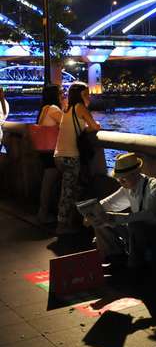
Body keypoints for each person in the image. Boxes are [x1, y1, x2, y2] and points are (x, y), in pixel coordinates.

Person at [91, 152, 156, 275]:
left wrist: (114, 218)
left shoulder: (155, 188)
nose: (120, 182)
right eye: (119, 179)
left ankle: (134, 266)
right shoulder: (127, 187)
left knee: (134, 225)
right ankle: (115, 258)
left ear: (135, 174)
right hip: (139, 230)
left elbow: (147, 215)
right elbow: (109, 203)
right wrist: (92, 211)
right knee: (100, 221)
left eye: (123, 179)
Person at [54, 82, 100, 235]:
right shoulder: (80, 107)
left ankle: (70, 221)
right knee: (68, 192)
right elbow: (95, 126)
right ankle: (62, 226)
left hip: (59, 155)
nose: (89, 97)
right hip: (71, 156)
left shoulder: (67, 108)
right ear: (80, 95)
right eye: (86, 94)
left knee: (71, 189)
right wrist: (94, 124)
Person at [36, 84, 64, 223]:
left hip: (44, 149)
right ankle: (44, 213)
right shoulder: (53, 109)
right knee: (49, 183)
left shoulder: (44, 108)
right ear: (55, 95)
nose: (63, 95)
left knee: (48, 182)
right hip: (52, 151)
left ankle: (44, 212)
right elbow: (68, 124)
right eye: (61, 93)